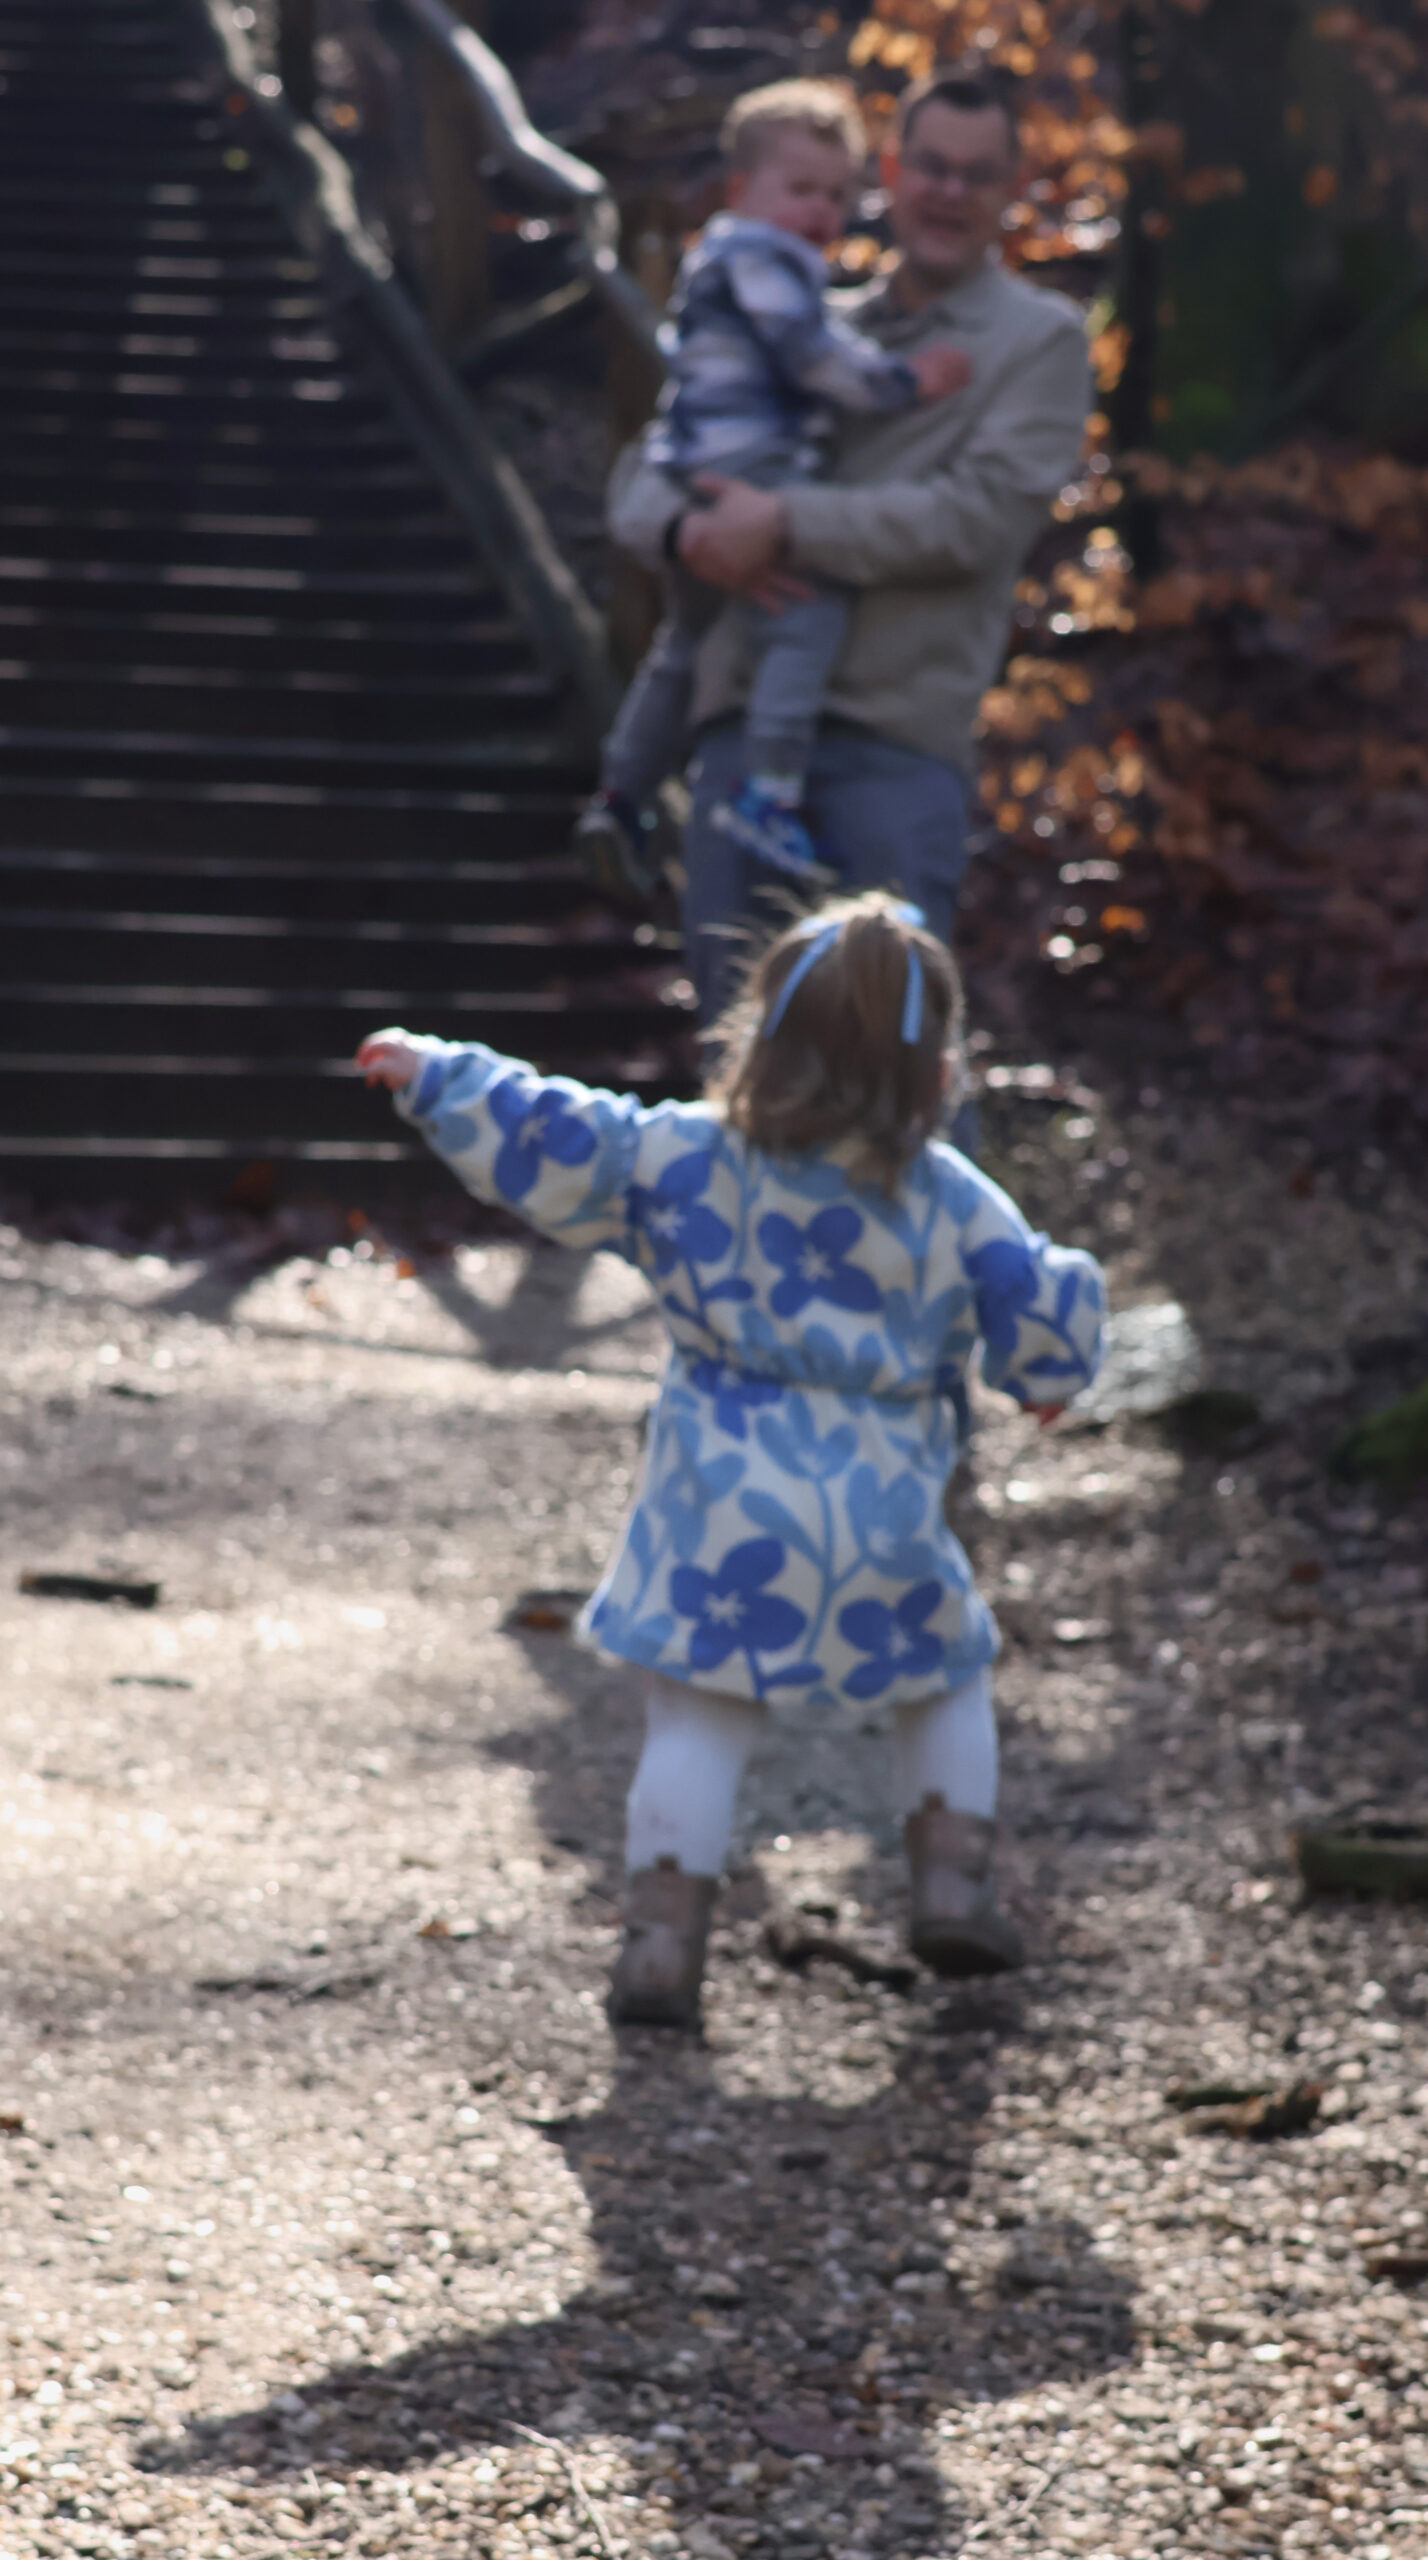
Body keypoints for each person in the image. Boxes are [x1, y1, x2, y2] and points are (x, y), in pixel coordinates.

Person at [357, 893, 1104, 2028]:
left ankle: (662, 1940)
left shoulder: (687, 1159)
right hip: (884, 1509)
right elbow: (1036, 1307)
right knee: (946, 1676)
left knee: (698, 1719)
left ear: (760, 1038)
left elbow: (560, 1132)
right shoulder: (951, 1197)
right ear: (935, 1070)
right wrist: (1046, 1378)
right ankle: (952, 1882)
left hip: (718, 1511)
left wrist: (438, 1074)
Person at [608, 65, 1093, 1020]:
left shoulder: (1038, 343)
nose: (950, 193)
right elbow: (646, 468)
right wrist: (693, 533)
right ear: (893, 172)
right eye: (932, 168)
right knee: (737, 1074)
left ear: (1008, 192)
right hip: (745, 738)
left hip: (894, 748)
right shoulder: (802, 322)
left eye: (978, 174)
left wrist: (782, 525)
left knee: (899, 1076)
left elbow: (974, 520)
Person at [578, 79, 971, 893]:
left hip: (696, 461)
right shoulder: (763, 260)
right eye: (800, 190)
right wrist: (905, 381)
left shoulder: (731, 262)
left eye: (837, 194)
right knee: (807, 615)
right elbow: (814, 358)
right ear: (739, 191)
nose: (820, 211)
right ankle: (771, 793)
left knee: (681, 649)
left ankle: (622, 793)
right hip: (744, 461)